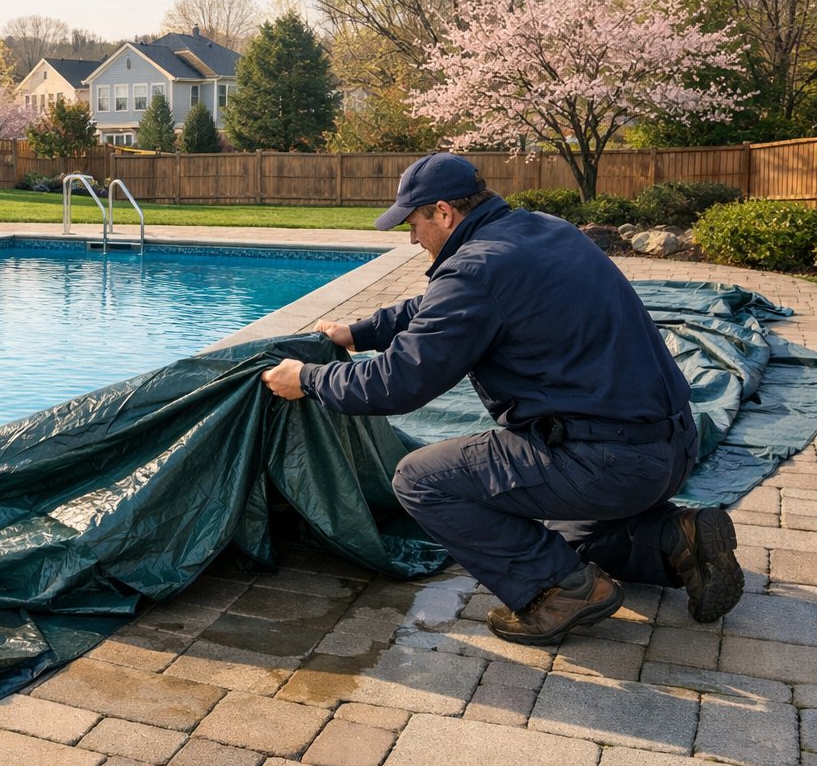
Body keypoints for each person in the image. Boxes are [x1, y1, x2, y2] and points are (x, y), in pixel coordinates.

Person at [260, 152, 743, 644]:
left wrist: (309, 379)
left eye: (414, 222)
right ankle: (677, 537)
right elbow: (437, 306)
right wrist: (359, 332)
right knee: (566, 538)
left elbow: (397, 383)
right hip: (672, 446)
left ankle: (559, 593)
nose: (411, 237)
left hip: (606, 461)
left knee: (422, 479)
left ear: (444, 212)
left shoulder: (474, 271)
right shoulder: (544, 229)